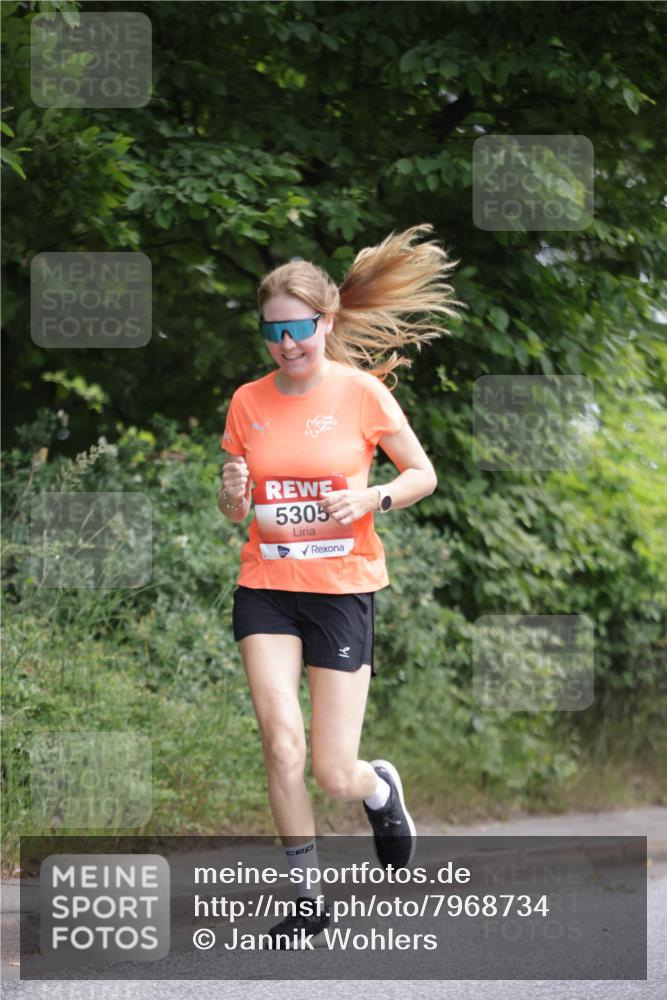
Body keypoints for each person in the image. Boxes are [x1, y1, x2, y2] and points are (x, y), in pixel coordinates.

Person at [218, 223, 464, 947]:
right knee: (280, 745)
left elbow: (422, 474)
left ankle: (378, 788)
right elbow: (235, 506)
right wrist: (231, 491)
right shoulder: (246, 401)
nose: (285, 344)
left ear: (323, 322)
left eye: (297, 328)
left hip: (341, 589)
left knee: (331, 770)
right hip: (266, 584)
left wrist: (370, 499)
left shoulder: (359, 394)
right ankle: (307, 896)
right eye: (272, 332)